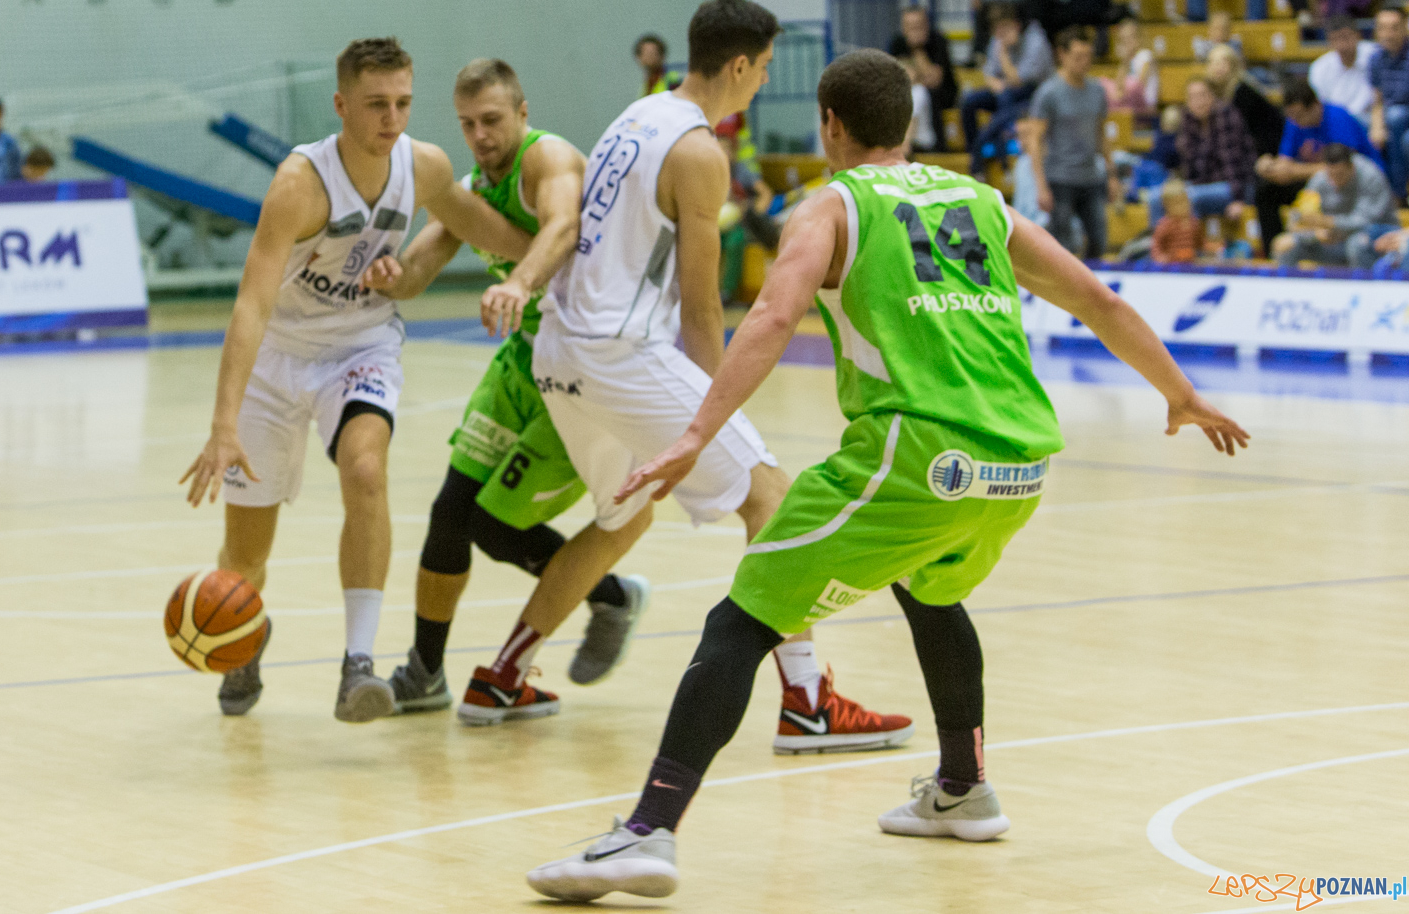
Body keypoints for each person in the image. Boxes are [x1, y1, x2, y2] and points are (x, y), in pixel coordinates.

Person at [523, 49, 1250, 902]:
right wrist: (1182, 394)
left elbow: (772, 313)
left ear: (831, 125)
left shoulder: (831, 205)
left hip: (916, 457)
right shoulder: (982, 201)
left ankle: (646, 833)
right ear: (907, 123)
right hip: (1018, 464)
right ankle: (962, 788)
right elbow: (1101, 300)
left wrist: (695, 433)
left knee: (743, 614)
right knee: (930, 590)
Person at [529, 0, 913, 756]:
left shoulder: (635, 114)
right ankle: (806, 701)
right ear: (738, 64)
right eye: (764, 69)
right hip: (621, 351)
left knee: (619, 518)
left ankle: (503, 672)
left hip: (559, 348)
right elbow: (703, 308)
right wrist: (719, 417)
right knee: (772, 495)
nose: (762, 83)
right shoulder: (700, 151)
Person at [177, 38, 535, 724]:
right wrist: (223, 426)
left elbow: (477, 224)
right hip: (279, 356)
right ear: (341, 105)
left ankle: (358, 665)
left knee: (366, 468)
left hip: (360, 344)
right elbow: (250, 305)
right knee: (244, 558)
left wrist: (558, 252)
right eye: (376, 105)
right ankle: (245, 626)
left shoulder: (422, 165)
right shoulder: (299, 184)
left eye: (402, 102)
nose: (391, 119)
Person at [342, 58, 643, 724]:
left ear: (522, 111)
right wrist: (391, 274)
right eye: (467, 124)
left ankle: (612, 592)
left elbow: (562, 228)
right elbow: (422, 265)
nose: (479, 135)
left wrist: (518, 282)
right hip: (522, 362)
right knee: (451, 511)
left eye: (492, 120)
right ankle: (424, 670)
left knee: (491, 521)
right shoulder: (476, 184)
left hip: (581, 372)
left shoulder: (549, 159)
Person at [1254, 77, 1385, 255]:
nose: (1295, 121)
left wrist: (1294, 171)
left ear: (1315, 105)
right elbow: (1286, 162)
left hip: (1357, 185)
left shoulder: (1337, 118)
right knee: (1266, 192)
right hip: (1320, 183)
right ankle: (1272, 254)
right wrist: (1269, 166)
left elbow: (1344, 167)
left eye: (1299, 115)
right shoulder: (1294, 122)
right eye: (1291, 116)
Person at [1024, 27, 1111, 258]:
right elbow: (1035, 139)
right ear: (1062, 55)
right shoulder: (1049, 93)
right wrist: (1041, 185)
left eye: (1088, 57)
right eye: (1078, 57)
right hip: (1060, 178)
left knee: (1099, 239)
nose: (1084, 62)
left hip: (1091, 176)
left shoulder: (1097, 91)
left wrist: (1111, 174)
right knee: (1063, 246)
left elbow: (1101, 134)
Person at [961, 2, 1054, 172]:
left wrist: (1003, 53)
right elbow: (989, 73)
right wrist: (996, 83)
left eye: (1005, 28)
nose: (1000, 34)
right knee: (969, 101)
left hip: (1034, 97)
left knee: (1006, 99)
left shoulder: (1036, 41)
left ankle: (996, 153)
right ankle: (974, 150)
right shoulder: (997, 39)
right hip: (1007, 92)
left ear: (1016, 25)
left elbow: (1019, 80)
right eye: (997, 29)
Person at [1273, 142, 1396, 266]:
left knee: (1357, 243)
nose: (1335, 180)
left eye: (1340, 175)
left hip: (1375, 236)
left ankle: (1364, 285)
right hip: (1333, 240)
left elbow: (1366, 221)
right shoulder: (1320, 179)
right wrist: (1315, 234)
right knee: (1287, 246)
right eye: (1331, 175)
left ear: (1351, 167)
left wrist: (1329, 223)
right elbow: (1298, 218)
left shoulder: (1370, 176)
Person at [1169, 76, 1257, 224]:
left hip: (1234, 186)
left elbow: (1233, 163)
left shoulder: (1226, 116)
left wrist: (1239, 200)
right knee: (1159, 197)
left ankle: (1188, 244)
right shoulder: (1188, 122)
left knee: (1187, 198)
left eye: (1202, 95)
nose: (1198, 101)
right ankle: (1157, 244)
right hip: (1202, 185)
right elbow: (1190, 169)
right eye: (1192, 97)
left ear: (1213, 96)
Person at [888, 5, 959, 150]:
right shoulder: (897, 43)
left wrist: (917, 49)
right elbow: (897, 79)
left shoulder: (938, 41)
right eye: (910, 27)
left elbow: (934, 80)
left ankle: (929, 145)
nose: (915, 31)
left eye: (918, 26)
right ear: (904, 28)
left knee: (921, 92)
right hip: (909, 93)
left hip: (942, 95)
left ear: (926, 25)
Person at [1206, 43, 1286, 156]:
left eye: (1223, 63)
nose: (1218, 67)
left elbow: (1246, 133)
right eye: (1213, 62)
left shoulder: (1243, 92)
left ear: (1233, 66)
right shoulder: (1217, 92)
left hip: (1269, 149)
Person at [1368, 6, 1409, 197]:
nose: (1388, 33)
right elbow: (1377, 100)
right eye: (1383, 28)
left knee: (1396, 120)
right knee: (1360, 127)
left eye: (1394, 27)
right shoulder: (1375, 59)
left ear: (1405, 28)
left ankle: (1397, 194)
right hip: (1391, 116)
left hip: (1400, 117)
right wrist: (1376, 126)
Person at [1309, 15, 1380, 125]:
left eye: (1345, 37)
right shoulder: (1319, 68)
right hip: (1337, 123)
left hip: (1371, 119)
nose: (1342, 45)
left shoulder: (1375, 55)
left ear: (1357, 35)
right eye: (1335, 39)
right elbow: (1321, 106)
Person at [1104, 18, 1160, 116]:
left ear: (1139, 38)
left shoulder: (1146, 56)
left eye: (1130, 37)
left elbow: (1140, 85)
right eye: (1123, 39)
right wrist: (1125, 60)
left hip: (1145, 106)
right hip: (1127, 103)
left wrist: (1121, 94)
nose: (1127, 42)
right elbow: (1118, 84)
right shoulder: (1126, 60)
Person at [1151, 180, 1206, 262]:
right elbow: (1156, 244)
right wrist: (1159, 257)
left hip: (1190, 264)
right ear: (1167, 206)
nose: (1184, 206)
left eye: (1186, 201)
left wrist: (1209, 248)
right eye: (1178, 203)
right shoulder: (1165, 225)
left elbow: (1200, 243)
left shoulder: (1194, 222)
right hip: (1171, 266)